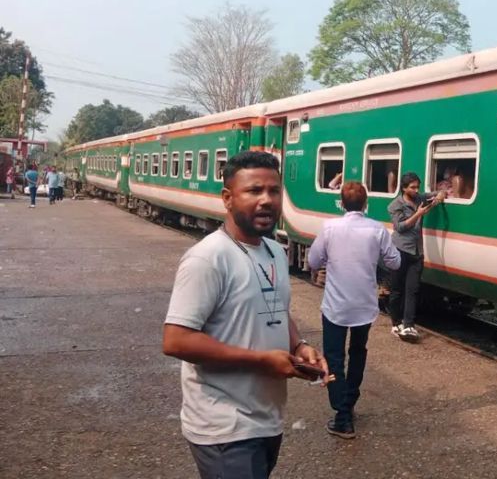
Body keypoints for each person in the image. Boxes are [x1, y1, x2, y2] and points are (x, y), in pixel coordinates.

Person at [162, 151, 329, 479]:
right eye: (254, 191)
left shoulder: (275, 253)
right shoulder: (208, 258)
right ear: (227, 197)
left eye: (274, 191)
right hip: (224, 426)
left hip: (266, 418)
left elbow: (277, 309)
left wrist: (299, 347)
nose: (267, 200)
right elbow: (176, 340)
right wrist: (261, 360)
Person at [308, 181, 401, 439]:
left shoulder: (329, 227)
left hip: (335, 307)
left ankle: (342, 416)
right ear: (365, 204)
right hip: (364, 306)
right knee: (358, 352)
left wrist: (332, 258)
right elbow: (394, 262)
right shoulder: (377, 229)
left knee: (334, 359)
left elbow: (313, 260)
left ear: (341, 203)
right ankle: (350, 402)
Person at [387, 172, 445, 342]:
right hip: (400, 250)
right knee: (397, 289)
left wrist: (440, 194)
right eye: (412, 187)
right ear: (404, 188)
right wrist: (418, 214)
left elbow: (433, 194)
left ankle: (409, 325)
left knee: (412, 289)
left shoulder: (420, 198)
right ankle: (395, 322)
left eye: (417, 187)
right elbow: (400, 227)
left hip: (417, 252)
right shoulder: (394, 205)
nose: (416, 190)